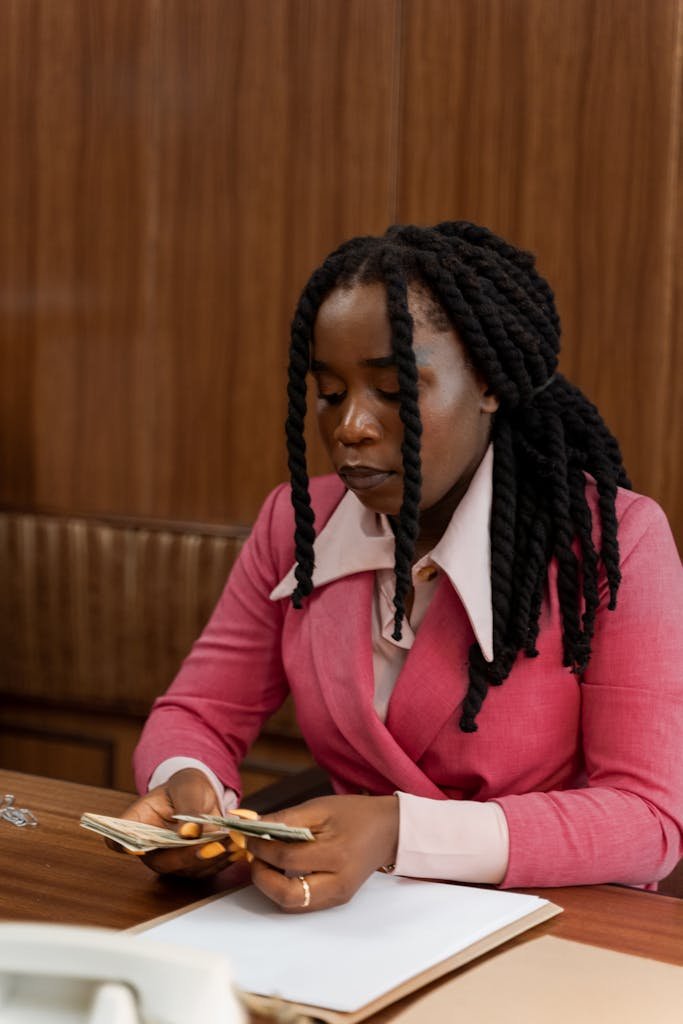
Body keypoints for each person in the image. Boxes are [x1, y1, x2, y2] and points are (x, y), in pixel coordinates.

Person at [123, 221, 683, 912]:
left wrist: (398, 831)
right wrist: (189, 788)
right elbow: (199, 712)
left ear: (489, 384)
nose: (350, 427)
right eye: (330, 394)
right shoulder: (297, 524)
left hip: (559, 921)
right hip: (350, 922)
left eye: (393, 391)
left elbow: (647, 818)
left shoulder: (614, 541)